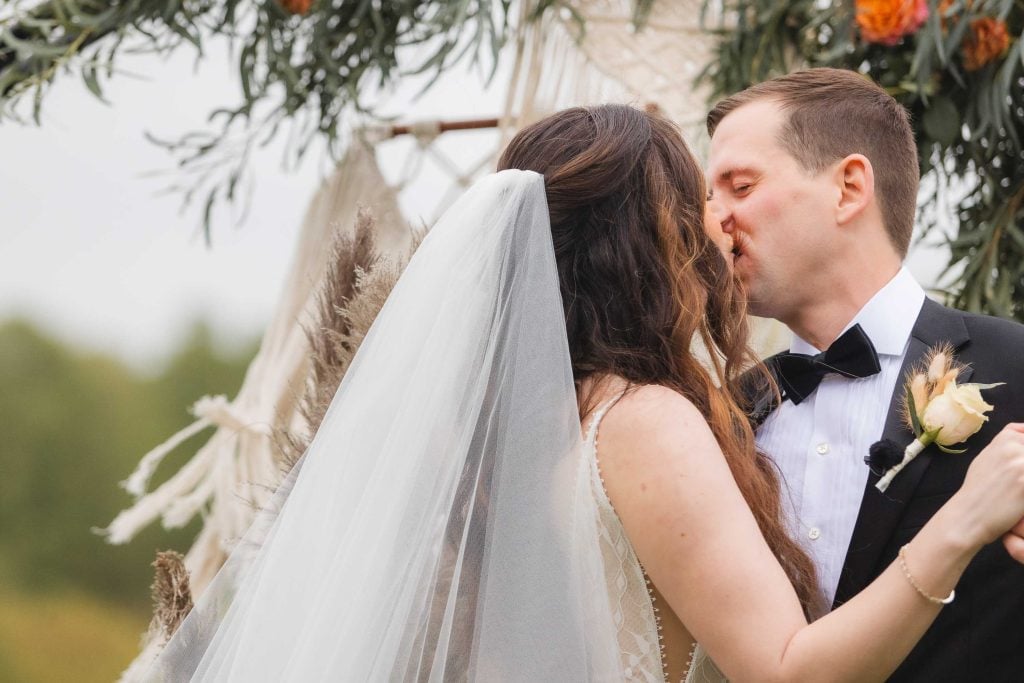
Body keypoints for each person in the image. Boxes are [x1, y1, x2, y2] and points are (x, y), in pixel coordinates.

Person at [146, 104, 1024, 682]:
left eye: (738, 189)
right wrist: (963, 518)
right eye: (697, 197)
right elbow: (789, 668)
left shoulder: (517, 429)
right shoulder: (643, 422)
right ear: (648, 237)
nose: (716, 225)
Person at [706, 67, 1024, 681]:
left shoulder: (1016, 368)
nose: (714, 220)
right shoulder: (724, 414)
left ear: (849, 187)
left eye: (739, 187)